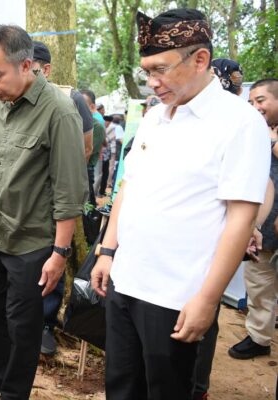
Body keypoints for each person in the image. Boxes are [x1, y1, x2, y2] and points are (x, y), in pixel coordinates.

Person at [90, 9, 269, 400]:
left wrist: (207, 299)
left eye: (160, 70)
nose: (152, 83)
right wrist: (107, 251)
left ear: (200, 59)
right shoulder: (155, 118)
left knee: (168, 391)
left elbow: (241, 219)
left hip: (176, 297)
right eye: (146, 72)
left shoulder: (239, 123)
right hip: (126, 282)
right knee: (121, 388)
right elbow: (128, 187)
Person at [0, 24, 87, 400]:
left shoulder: (59, 112)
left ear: (27, 66)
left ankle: (14, 391)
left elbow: (69, 191)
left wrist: (59, 253)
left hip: (35, 242)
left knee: (23, 322)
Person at [190, 58, 252, 400]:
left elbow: (257, 195)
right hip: (189, 241)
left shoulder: (240, 123)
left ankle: (197, 386)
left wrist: (250, 226)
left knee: (205, 312)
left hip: (217, 241)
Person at [31, 40, 94, 356]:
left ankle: (44, 323)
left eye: (34, 67)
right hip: (23, 203)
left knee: (52, 258)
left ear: (47, 68)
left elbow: (85, 148)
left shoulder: (71, 100)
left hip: (56, 201)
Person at [229, 78, 278, 361]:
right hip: (261, 227)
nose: (255, 107)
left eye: (261, 100)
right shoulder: (254, 131)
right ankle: (260, 337)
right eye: (251, 102)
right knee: (258, 281)